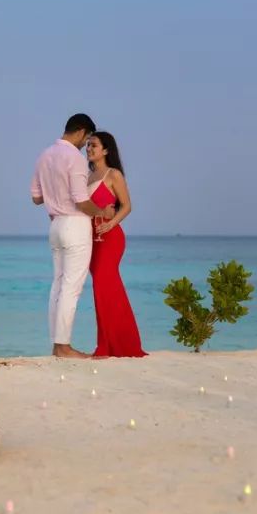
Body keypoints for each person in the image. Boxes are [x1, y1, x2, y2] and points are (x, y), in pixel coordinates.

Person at [30, 113, 115, 359]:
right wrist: (102, 212)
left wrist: (54, 193)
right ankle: (64, 347)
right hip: (75, 225)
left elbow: (36, 198)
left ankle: (56, 345)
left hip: (55, 226)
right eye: (86, 139)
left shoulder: (44, 155)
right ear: (80, 132)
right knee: (71, 288)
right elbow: (81, 201)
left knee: (57, 285)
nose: (84, 144)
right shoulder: (74, 158)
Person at [85, 131, 147, 357]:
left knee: (106, 286)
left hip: (110, 237)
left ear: (106, 150)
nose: (89, 149)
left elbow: (127, 206)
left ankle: (120, 344)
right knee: (101, 290)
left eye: (93, 145)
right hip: (92, 238)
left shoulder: (113, 174)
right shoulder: (87, 177)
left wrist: (110, 224)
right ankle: (107, 343)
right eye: (88, 145)